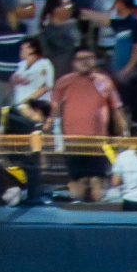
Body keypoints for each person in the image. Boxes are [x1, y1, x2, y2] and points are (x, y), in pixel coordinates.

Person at [50, 49, 125, 200]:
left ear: (95, 60)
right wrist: (57, 138)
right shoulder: (63, 82)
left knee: (97, 181)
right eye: (81, 59)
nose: (85, 62)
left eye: (89, 58)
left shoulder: (105, 81)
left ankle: (97, 213)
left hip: (98, 142)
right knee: (78, 181)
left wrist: (124, 134)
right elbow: (55, 111)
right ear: (74, 63)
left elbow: (116, 109)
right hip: (73, 142)